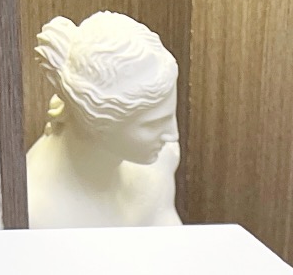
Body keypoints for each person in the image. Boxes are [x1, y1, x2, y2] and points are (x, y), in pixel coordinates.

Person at [26, 12, 182, 229]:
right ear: (94, 123)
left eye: (171, 116)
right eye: (152, 124)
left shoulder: (159, 162)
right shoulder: (37, 210)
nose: (173, 135)